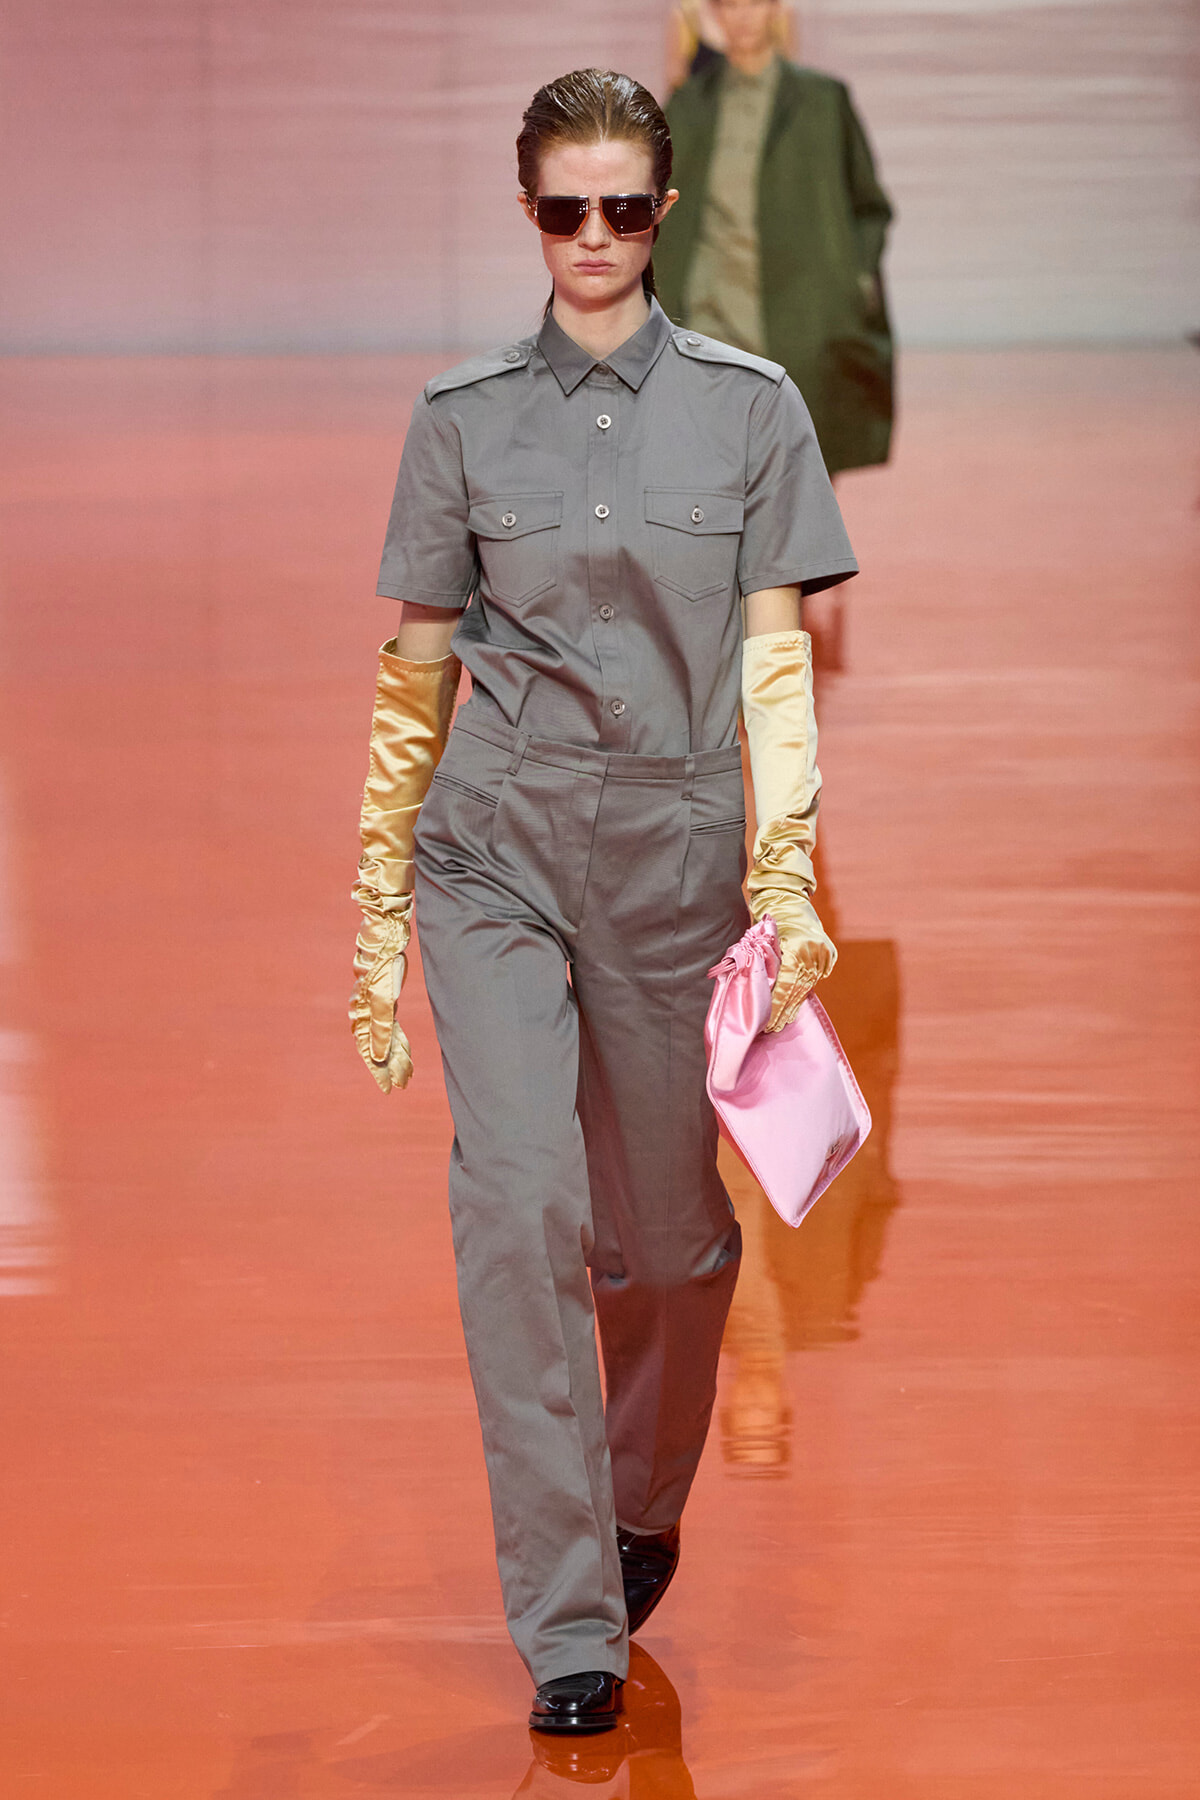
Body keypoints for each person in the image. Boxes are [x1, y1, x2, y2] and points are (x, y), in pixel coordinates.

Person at [349, 67, 856, 1736]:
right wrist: (371, 902)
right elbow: (416, 674)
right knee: (518, 1212)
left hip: (674, 862)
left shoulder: (754, 406)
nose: (592, 238)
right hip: (493, 851)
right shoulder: (460, 416)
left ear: (663, 211)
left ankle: (640, 1501)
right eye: (563, 208)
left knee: (672, 1249)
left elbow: (776, 663)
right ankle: (567, 1614)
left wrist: (782, 879)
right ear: (528, 212)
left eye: (622, 207)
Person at [655, 0, 895, 482]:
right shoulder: (687, 104)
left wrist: (852, 282)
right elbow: (659, 206)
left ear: (777, 9)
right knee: (710, 478)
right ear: (714, 15)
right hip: (708, 314)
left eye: (754, 2)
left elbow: (869, 206)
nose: (741, 15)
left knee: (800, 481)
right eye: (728, 5)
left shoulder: (823, 99)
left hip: (798, 317)